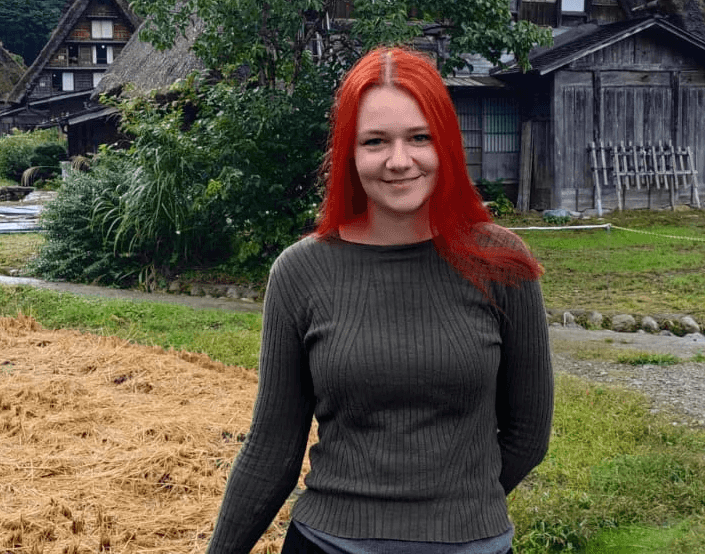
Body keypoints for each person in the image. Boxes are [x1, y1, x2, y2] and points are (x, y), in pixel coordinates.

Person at [207, 46, 553, 554]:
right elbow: (271, 448)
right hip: (327, 544)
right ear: (349, 152)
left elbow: (528, 434)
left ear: (446, 143)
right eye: (375, 141)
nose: (399, 161)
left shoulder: (502, 264)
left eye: (419, 137)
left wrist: (458, 509)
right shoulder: (300, 272)